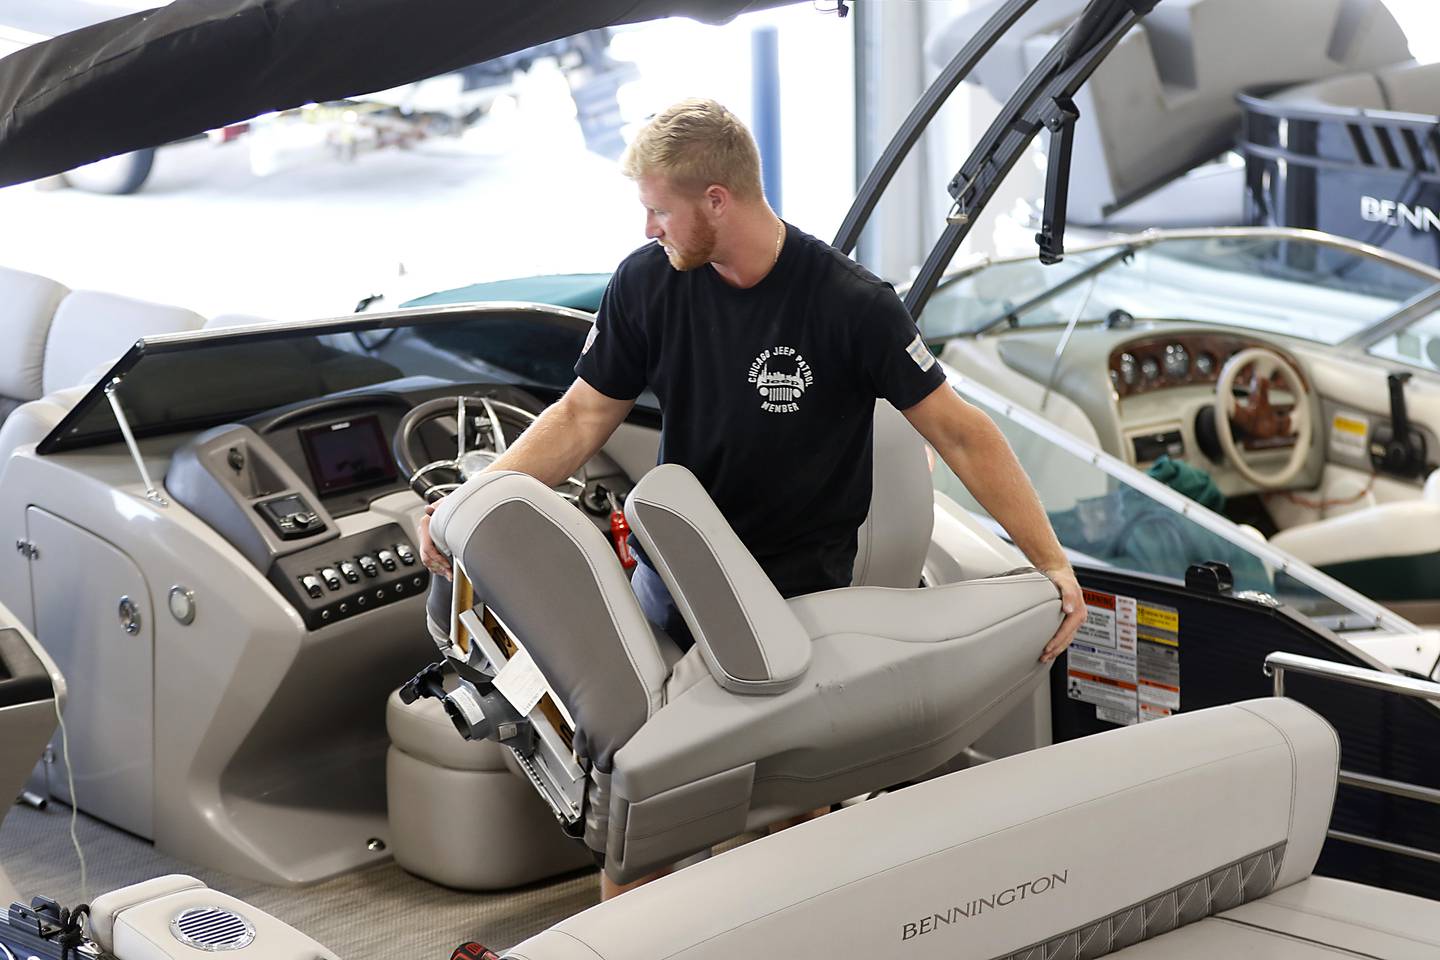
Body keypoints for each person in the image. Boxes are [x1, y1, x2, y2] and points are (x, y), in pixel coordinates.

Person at [420, 97, 1085, 898]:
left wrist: (1051, 563)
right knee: (646, 827)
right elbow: (581, 416)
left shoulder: (850, 304)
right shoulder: (648, 284)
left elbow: (961, 433)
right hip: (674, 587)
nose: (647, 230)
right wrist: (474, 504)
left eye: (658, 210)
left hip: (798, 595)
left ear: (716, 201)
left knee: (790, 824)